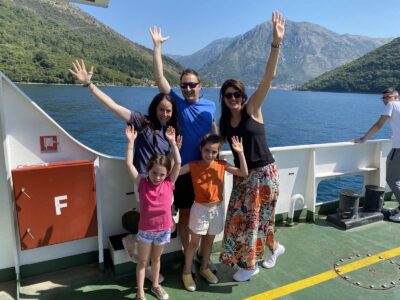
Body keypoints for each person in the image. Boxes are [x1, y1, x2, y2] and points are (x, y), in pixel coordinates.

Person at [69, 59, 181, 282]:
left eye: (168, 111)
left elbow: (171, 162)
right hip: (142, 179)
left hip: (164, 183)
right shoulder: (141, 122)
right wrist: (88, 85)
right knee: (147, 219)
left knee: (164, 221)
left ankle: (148, 261)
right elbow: (112, 105)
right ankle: (142, 258)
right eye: (161, 109)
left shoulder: (171, 132)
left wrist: (174, 146)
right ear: (155, 108)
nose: (165, 114)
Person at [218, 11, 286, 282]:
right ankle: (276, 248)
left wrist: (276, 43)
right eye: (228, 95)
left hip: (265, 174)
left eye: (237, 94)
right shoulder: (225, 125)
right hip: (244, 177)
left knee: (256, 220)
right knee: (249, 220)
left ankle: (250, 265)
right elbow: (211, 145)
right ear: (223, 99)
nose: (233, 98)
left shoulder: (253, 109)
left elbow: (268, 77)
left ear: (243, 96)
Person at [150, 27, 217, 271]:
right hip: (182, 170)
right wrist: (157, 47)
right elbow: (159, 79)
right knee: (187, 215)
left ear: (200, 86)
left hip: (204, 170)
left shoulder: (210, 105)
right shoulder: (176, 103)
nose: (187, 89)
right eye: (184, 86)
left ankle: (199, 255)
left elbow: (213, 132)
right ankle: (185, 254)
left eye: (192, 85)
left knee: (205, 215)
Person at [180, 134, 248, 291]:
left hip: (217, 209)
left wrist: (240, 152)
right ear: (201, 149)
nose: (209, 154)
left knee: (209, 242)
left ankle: (204, 268)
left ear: (218, 152)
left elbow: (243, 172)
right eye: (206, 150)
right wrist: (175, 149)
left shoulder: (222, 164)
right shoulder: (193, 165)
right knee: (194, 243)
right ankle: (186, 272)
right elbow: (174, 173)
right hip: (200, 209)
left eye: (213, 152)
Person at [125, 125, 181, 300]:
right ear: (148, 170)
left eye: (162, 174)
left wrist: (172, 143)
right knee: (143, 262)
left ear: (167, 175)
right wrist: (131, 143)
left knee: (156, 260)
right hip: (146, 232)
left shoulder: (169, 183)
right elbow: (128, 163)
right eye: (154, 173)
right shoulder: (142, 184)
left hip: (163, 230)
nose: (158, 177)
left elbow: (178, 163)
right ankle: (140, 292)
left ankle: (155, 285)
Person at [353, 87, 400, 222]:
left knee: (392, 179)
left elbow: (379, 124)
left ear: (395, 97)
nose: (385, 100)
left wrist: (363, 139)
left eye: (388, 97)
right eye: (383, 98)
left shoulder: (392, 105)